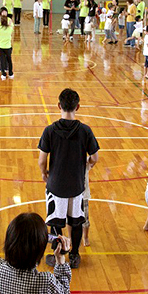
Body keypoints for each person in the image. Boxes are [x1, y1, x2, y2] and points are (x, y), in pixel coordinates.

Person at [38, 88, 100, 269]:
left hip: (56, 184)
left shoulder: (49, 130)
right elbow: (95, 157)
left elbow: (42, 160)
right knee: (76, 221)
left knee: (55, 222)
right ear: (78, 107)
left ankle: (59, 255)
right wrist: (87, 164)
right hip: (76, 185)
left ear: (58, 106)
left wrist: (44, 173)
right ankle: (74, 255)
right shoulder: (85, 130)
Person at [0, 9, 14, 80]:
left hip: (0, 47)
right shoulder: (9, 29)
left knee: (2, 60)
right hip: (8, 46)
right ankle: (11, 73)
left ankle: (3, 74)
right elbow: (12, 28)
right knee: (9, 60)